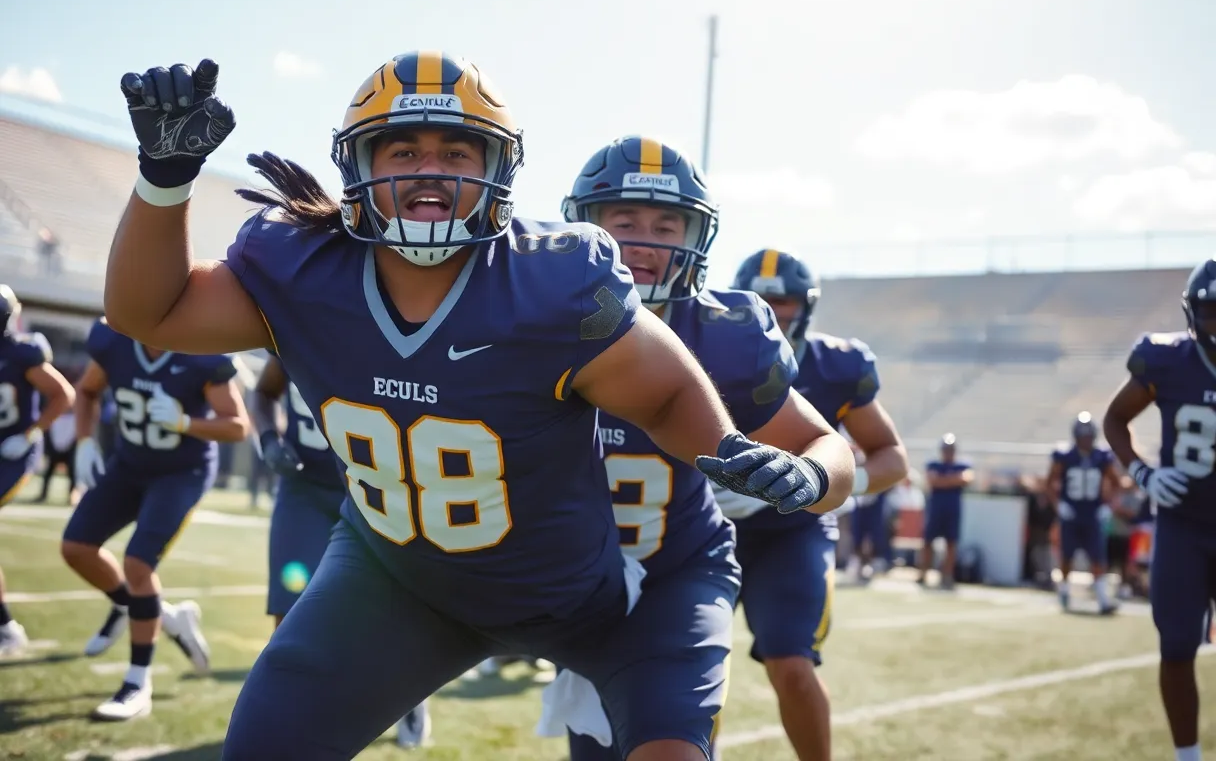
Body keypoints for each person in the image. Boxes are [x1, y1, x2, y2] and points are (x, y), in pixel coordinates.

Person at [102, 54, 852, 760]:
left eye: (456, 153)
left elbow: (668, 395)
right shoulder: (302, 265)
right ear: (359, 165)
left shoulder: (556, 283)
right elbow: (150, 313)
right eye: (403, 151)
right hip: (404, 577)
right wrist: (165, 181)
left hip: (621, 592)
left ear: (498, 168)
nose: (430, 171)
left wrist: (737, 453)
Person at [555, 139, 853, 761]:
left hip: (678, 569)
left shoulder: (724, 334)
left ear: (696, 237)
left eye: (667, 227)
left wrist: (807, 473)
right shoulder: (529, 316)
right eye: (625, 221)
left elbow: (827, 446)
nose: (645, 242)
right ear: (584, 226)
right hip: (569, 576)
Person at [729, 249, 909, 761]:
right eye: (757, 298)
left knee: (792, 665)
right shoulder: (703, 347)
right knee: (689, 669)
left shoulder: (836, 365)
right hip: (705, 525)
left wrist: (839, 484)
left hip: (792, 532)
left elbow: (892, 457)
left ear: (805, 305)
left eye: (782, 300)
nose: (770, 310)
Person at [61, 317, 250, 720]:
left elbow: (237, 426)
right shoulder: (112, 339)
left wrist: (185, 422)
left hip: (182, 471)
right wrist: (83, 441)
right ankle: (159, 614)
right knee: (76, 547)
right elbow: (88, 390)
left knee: (138, 563)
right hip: (129, 463)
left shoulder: (201, 352)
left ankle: (136, 683)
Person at [252, 353, 432, 748]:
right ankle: (293, 717)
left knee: (383, 612)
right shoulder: (295, 324)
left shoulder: (381, 336)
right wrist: (268, 438)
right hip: (303, 486)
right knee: (289, 606)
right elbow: (264, 392)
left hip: (372, 490)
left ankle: (409, 693)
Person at [1103, 258, 1216, 761]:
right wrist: (1143, 474)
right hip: (1183, 526)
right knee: (1176, 645)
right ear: (1193, 312)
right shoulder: (1166, 360)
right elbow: (1115, 420)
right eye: (1212, 310)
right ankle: (1187, 756)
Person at [0, 285, 75, 654]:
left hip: (13, 453)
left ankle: (6, 628)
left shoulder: (21, 354)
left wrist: (30, 434)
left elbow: (63, 394)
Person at [1046, 411, 1121, 613]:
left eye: (1088, 435)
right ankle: (1064, 591)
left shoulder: (1102, 457)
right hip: (1071, 513)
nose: (1086, 440)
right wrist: (1058, 505)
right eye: (1083, 435)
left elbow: (1116, 484)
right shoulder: (1064, 456)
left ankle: (1103, 599)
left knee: (1098, 558)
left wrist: (1108, 506)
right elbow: (1049, 484)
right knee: (1066, 557)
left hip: (1092, 514)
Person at [917, 433, 973, 588]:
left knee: (951, 542)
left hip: (952, 510)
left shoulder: (963, 464)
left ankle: (947, 575)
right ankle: (923, 573)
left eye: (951, 449)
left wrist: (943, 480)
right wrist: (953, 480)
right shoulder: (933, 464)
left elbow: (966, 479)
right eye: (946, 449)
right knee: (927, 540)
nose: (948, 452)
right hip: (936, 509)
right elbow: (932, 480)